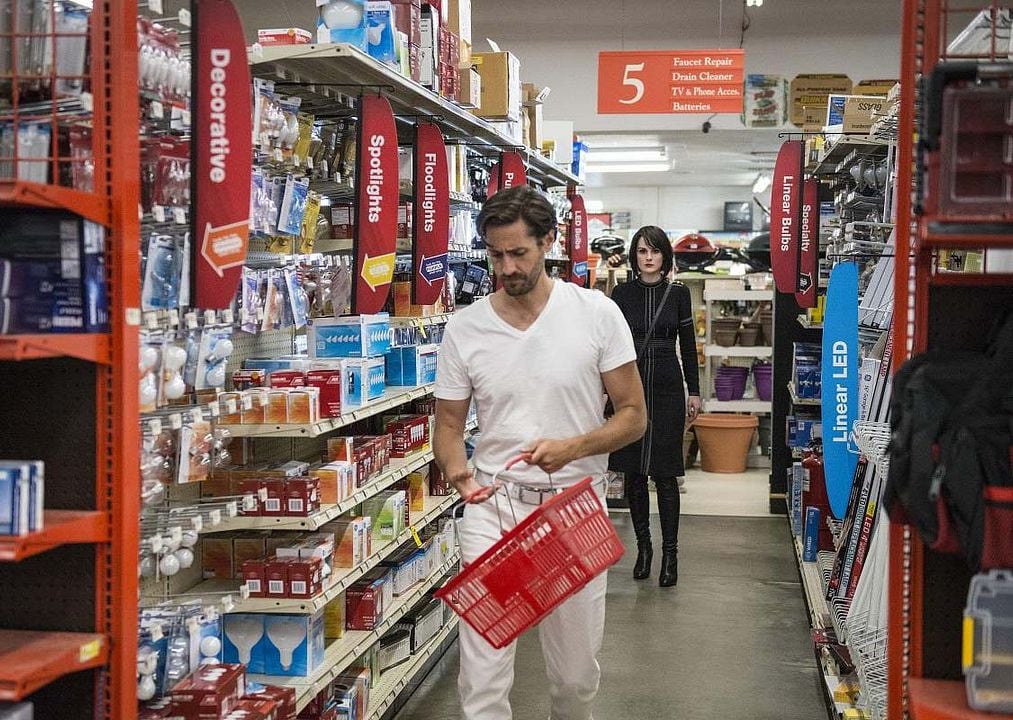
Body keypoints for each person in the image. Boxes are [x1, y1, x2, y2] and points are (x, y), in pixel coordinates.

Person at [433, 185, 647, 720]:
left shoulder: (595, 314)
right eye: (496, 254)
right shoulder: (465, 328)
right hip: (495, 508)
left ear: (548, 242)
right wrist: (459, 474)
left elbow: (633, 416)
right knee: (481, 676)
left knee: (574, 679)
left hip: (574, 507)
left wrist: (574, 446)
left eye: (519, 252)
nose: (506, 267)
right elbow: (449, 424)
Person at [608, 225, 702, 588]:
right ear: (634, 256)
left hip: (666, 385)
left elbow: (689, 347)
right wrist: (607, 389)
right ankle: (644, 549)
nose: (648, 258)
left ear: (665, 256)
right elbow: (609, 346)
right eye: (642, 251)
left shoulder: (678, 295)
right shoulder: (621, 294)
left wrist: (693, 391)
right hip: (630, 385)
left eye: (655, 251)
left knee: (665, 473)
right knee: (634, 472)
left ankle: (671, 555)